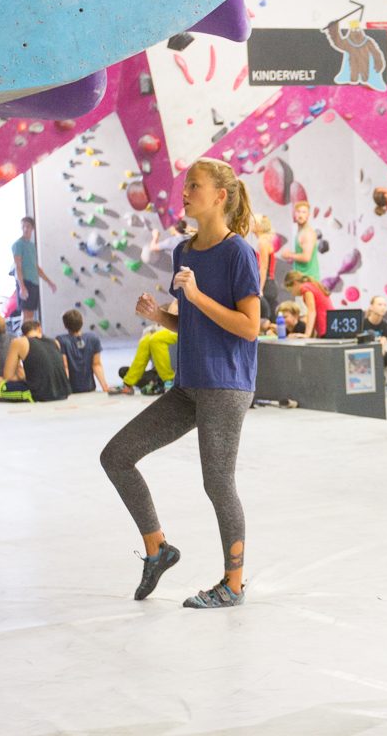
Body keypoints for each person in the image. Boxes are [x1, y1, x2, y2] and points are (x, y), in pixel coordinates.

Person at [100, 158, 262, 609]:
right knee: (117, 456)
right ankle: (158, 550)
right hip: (189, 384)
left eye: (195, 185)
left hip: (226, 386)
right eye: (185, 185)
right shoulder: (183, 252)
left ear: (220, 197)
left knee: (218, 483)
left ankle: (233, 584)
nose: (185, 192)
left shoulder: (238, 253)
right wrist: (162, 316)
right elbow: (194, 323)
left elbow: (250, 328)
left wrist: (194, 296)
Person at [0, 320, 71, 403]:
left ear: (23, 334)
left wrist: (19, 371)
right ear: (39, 329)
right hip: (63, 392)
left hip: (38, 393)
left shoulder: (19, 342)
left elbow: (8, 377)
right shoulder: (55, 342)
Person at [111, 300, 179, 395]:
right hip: (157, 372)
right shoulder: (151, 330)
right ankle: (128, 384)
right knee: (146, 341)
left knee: (156, 339)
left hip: (184, 328)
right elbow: (175, 301)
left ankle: (168, 381)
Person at [12, 217, 57, 325]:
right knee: (26, 314)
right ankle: (24, 340)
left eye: (28, 226)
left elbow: (35, 267)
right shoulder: (18, 245)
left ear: (32, 228)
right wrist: (22, 286)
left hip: (34, 283)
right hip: (25, 282)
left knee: (31, 315)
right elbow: (18, 267)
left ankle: (29, 338)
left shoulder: (31, 246)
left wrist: (49, 282)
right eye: (23, 226)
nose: (25, 229)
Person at [57, 309, 109, 393]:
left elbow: (65, 366)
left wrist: (63, 389)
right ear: (82, 322)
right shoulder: (93, 338)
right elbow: (96, 364)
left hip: (71, 389)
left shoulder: (61, 340)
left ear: (65, 325)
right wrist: (104, 386)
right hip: (89, 387)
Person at [279, 200, 320, 281]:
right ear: (295, 214)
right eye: (298, 212)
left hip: (309, 280)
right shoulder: (300, 232)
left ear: (308, 215)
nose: (301, 215)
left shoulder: (308, 233)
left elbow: (306, 257)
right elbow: (302, 253)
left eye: (304, 212)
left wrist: (289, 255)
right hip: (302, 279)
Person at [284, 271, 331, 338]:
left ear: (295, 283)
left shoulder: (305, 288)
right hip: (329, 325)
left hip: (325, 327)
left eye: (291, 290)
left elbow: (311, 311)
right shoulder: (312, 285)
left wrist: (307, 335)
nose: (292, 294)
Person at [253, 215, 281, 319]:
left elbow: (263, 267)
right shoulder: (264, 241)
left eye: (253, 222)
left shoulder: (263, 242)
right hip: (269, 283)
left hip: (267, 285)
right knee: (271, 316)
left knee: (269, 317)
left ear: (258, 226)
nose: (251, 224)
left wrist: (260, 288)